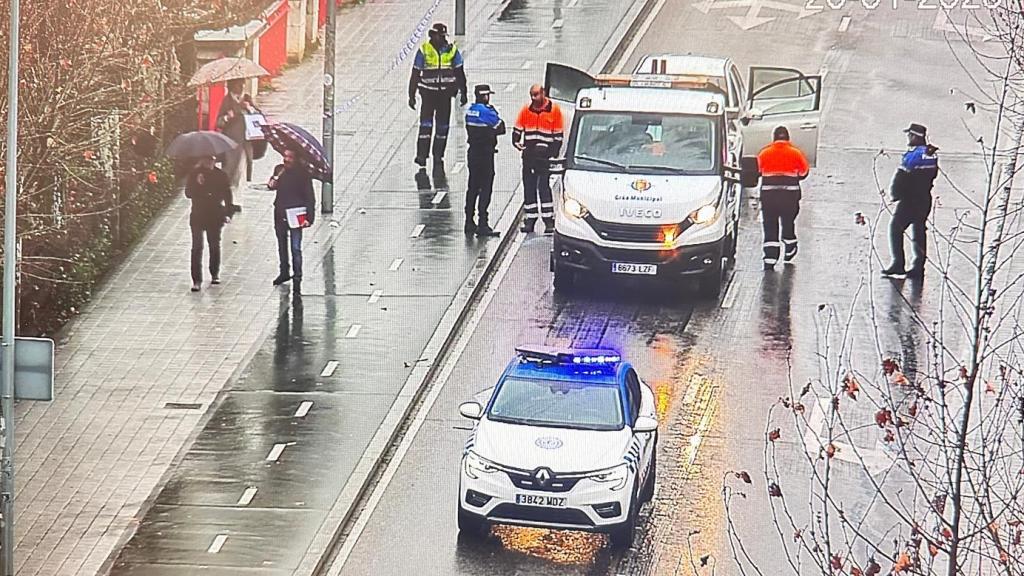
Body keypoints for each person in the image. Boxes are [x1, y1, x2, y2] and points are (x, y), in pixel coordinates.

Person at [882, 123, 939, 280]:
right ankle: (918, 267)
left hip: (909, 200)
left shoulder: (912, 155)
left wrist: (895, 193)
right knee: (919, 231)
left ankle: (898, 264)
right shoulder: (931, 154)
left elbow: (902, 176)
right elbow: (933, 175)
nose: (908, 138)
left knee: (896, 228)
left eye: (909, 135)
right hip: (924, 198)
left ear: (914, 137)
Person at [409, 23, 468, 168]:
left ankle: (438, 154)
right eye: (439, 36)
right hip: (428, 94)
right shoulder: (424, 50)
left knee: (443, 127)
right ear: (432, 35)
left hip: (445, 95)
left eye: (443, 36)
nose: (442, 39)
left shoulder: (452, 50)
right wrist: (411, 95)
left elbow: (459, 72)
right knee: (425, 126)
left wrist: (463, 91)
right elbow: (415, 73)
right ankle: (421, 156)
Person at [513, 84, 564, 234]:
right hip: (529, 155)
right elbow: (518, 129)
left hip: (543, 157)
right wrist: (515, 140)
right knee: (529, 187)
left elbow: (558, 136)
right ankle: (531, 219)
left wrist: (552, 154)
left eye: (536, 95)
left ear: (543, 93)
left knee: (543, 186)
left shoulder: (554, 110)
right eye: (532, 95)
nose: (533, 98)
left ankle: (548, 220)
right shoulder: (526, 110)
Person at [757, 126, 810, 269]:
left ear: (774, 138)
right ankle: (790, 245)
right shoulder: (796, 153)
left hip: (769, 197)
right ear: (788, 138)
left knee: (769, 224)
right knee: (788, 222)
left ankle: (770, 258)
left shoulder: (764, 153)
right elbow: (804, 172)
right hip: (790, 196)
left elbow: (757, 171)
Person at [268, 149, 316, 289]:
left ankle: (297, 274)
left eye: (289, 157)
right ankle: (284, 271)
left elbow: (309, 197)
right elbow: (272, 185)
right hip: (280, 212)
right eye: (285, 156)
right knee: (281, 245)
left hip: (296, 213)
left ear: (295, 159)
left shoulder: (303, 174)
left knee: (295, 247)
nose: (286, 159)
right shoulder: (279, 169)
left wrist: (309, 217)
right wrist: (274, 180)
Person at [184, 157, 233, 292]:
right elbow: (188, 193)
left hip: (215, 215)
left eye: (211, 159)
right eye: (206, 159)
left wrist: (228, 213)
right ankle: (196, 280)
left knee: (214, 245)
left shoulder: (221, 175)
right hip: (198, 215)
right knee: (197, 247)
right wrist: (197, 184)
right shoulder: (194, 174)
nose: (208, 162)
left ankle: (214, 272)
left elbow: (227, 194)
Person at [465, 84, 506, 237]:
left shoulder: (470, 111)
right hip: (485, 155)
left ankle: (469, 221)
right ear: (485, 96)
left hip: (473, 153)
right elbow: (501, 127)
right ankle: (483, 224)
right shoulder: (486, 112)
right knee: (485, 188)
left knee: (472, 188)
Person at [216, 79, 252, 193]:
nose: (241, 87)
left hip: (246, 140)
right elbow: (219, 122)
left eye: (242, 84)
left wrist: (250, 109)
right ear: (232, 86)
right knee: (230, 170)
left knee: (243, 171)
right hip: (231, 142)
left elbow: (258, 114)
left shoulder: (246, 98)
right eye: (238, 85)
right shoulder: (227, 101)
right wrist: (227, 117)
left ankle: (238, 199)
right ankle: (227, 197)